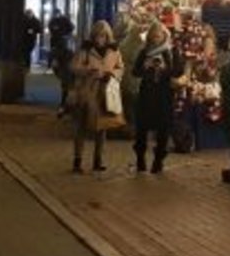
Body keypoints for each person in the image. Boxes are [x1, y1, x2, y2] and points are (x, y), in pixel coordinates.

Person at [69, 21, 123, 173]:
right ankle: (77, 160)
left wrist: (113, 74)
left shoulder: (114, 51)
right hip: (87, 91)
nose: (100, 39)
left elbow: (120, 68)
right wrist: (88, 71)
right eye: (98, 36)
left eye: (103, 36)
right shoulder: (85, 50)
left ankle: (98, 160)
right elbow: (73, 67)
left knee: (102, 127)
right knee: (81, 126)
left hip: (105, 92)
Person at [132, 22, 177, 174]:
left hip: (164, 95)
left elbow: (178, 71)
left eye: (159, 36)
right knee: (142, 129)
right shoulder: (144, 52)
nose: (156, 39)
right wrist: (145, 66)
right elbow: (135, 72)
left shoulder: (170, 52)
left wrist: (165, 70)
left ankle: (158, 161)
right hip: (147, 95)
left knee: (163, 129)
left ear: (164, 36)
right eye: (154, 36)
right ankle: (140, 159)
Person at [48, 10, 76, 113]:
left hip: (64, 58)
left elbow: (71, 28)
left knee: (66, 81)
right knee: (65, 81)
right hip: (60, 53)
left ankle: (64, 104)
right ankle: (64, 104)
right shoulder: (53, 22)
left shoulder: (64, 22)